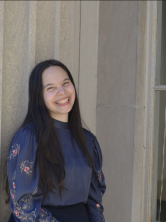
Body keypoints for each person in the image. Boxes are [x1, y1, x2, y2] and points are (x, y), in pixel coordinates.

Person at [6, 60, 106, 222]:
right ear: (38, 96)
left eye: (65, 83)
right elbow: (23, 203)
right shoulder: (29, 137)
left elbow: (95, 198)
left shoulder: (88, 140)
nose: (62, 91)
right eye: (50, 87)